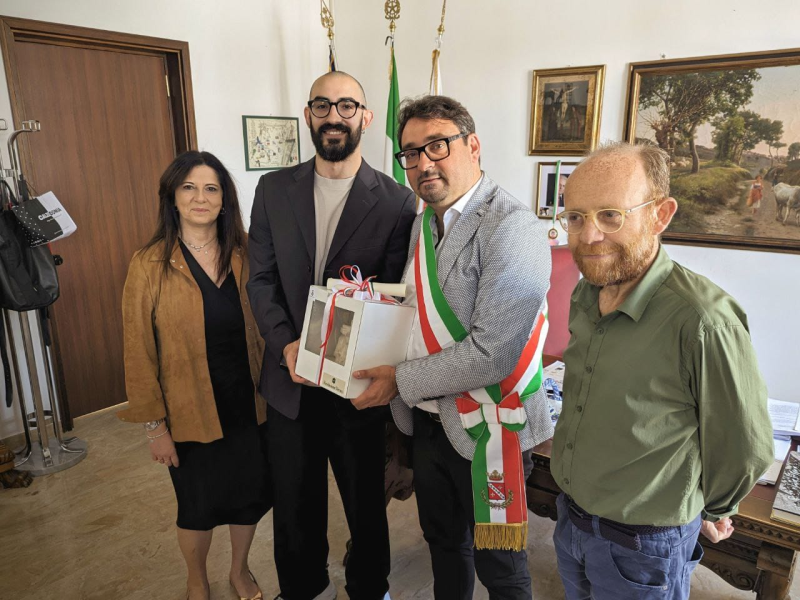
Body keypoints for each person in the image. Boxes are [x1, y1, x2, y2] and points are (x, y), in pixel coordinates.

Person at [550, 142, 773, 600]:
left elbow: (746, 446)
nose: (589, 236)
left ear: (661, 215)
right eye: (575, 217)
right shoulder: (586, 292)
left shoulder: (703, 320)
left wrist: (712, 508)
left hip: (641, 543)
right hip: (570, 519)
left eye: (611, 215)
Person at [351, 95, 552, 600]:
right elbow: (411, 316)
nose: (423, 163)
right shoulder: (424, 224)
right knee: (445, 545)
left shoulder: (513, 227)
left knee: (500, 568)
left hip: (490, 427)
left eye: (436, 145)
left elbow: (493, 353)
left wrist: (398, 379)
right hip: (430, 422)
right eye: (411, 153)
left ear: (473, 145)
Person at [247, 71, 415, 600]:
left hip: (356, 385)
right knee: (293, 502)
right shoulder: (274, 188)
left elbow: (393, 299)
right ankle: (301, 587)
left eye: (347, 105)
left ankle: (369, 587)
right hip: (289, 379)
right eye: (323, 105)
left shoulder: (395, 201)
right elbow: (261, 278)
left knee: (366, 502)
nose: (334, 116)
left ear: (365, 117)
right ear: (308, 115)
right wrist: (286, 343)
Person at [119, 151, 269, 600]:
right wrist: (154, 427)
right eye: (188, 187)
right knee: (197, 508)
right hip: (188, 411)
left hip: (251, 405)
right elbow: (137, 352)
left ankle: (239, 572)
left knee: (249, 498)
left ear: (224, 199)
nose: (200, 198)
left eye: (211, 188)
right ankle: (196, 578)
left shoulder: (247, 253)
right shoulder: (148, 264)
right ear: (173, 197)